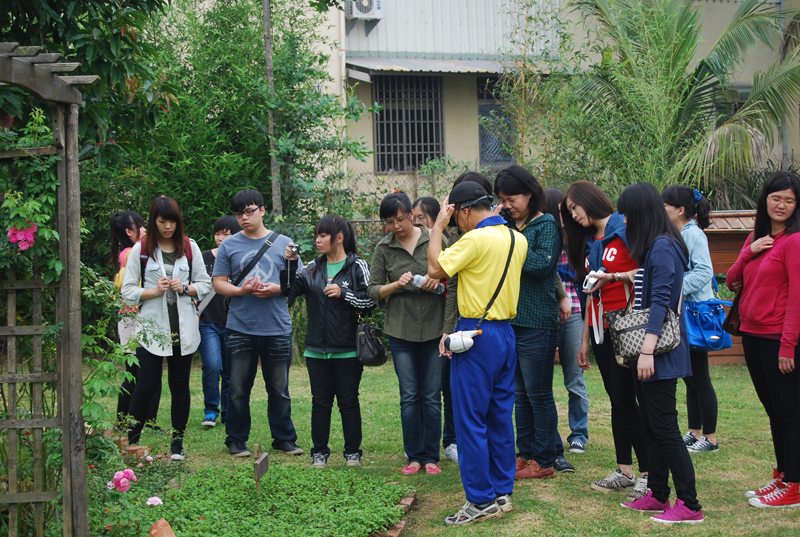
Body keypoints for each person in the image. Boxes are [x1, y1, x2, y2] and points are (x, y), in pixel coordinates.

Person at [427, 181, 527, 525]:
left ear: (465, 211)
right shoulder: (518, 238)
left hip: (475, 333)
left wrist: (438, 227)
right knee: (500, 416)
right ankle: (501, 492)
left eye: (457, 219)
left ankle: (480, 500)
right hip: (506, 334)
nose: (457, 225)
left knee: (469, 419)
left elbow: (435, 270)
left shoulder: (474, 239)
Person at [612, 182, 703, 524]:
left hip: (659, 351)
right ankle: (659, 496)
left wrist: (647, 351)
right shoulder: (654, 246)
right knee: (651, 425)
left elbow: (661, 302)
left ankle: (690, 505)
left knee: (665, 428)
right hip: (650, 352)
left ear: (640, 213)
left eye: (627, 215)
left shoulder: (664, 247)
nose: (624, 222)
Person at [561, 181, 649, 500]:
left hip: (629, 329)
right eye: (569, 211)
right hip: (601, 332)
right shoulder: (592, 242)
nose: (574, 214)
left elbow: (648, 270)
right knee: (618, 401)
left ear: (590, 201)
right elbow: (589, 293)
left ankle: (648, 472)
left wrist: (614, 278)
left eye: (575, 207)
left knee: (632, 402)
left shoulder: (622, 228)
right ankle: (624, 470)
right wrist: (584, 340)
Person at [212, 189, 304, 458]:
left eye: (249, 211)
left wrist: (277, 287)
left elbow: (295, 282)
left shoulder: (284, 243)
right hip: (240, 326)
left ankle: (284, 439)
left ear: (263, 210)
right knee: (239, 389)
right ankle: (236, 439)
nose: (244, 217)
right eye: (239, 213)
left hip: (276, 326)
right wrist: (241, 291)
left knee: (279, 388)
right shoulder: (229, 245)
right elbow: (218, 283)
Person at [727, 171, 800, 509]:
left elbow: (797, 297)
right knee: (774, 411)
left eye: (789, 199)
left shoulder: (795, 240)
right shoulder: (757, 238)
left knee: (789, 413)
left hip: (778, 340)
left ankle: (795, 484)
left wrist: (788, 345)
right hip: (753, 336)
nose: (781, 205)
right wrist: (749, 250)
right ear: (765, 200)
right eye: (775, 198)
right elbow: (731, 280)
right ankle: (783, 475)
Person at [121, 196, 212, 461]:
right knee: (146, 385)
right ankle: (132, 442)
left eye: (172, 221)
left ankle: (177, 444)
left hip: (183, 329)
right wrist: (153, 291)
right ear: (154, 222)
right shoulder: (141, 249)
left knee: (179, 386)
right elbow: (127, 292)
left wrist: (185, 288)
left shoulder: (189, 247)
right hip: (152, 330)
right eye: (162, 222)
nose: (168, 227)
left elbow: (205, 284)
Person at [281, 216, 375, 469]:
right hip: (315, 351)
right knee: (320, 402)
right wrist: (290, 264)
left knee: (348, 401)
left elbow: (371, 301)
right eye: (316, 236)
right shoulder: (312, 267)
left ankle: (353, 453)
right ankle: (319, 453)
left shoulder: (358, 266)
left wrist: (344, 294)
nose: (318, 240)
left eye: (323, 235)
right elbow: (288, 292)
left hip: (347, 350)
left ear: (339, 238)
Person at [368, 192, 447, 475]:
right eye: (389, 222)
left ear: (411, 215)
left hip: (435, 327)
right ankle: (414, 455)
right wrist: (396, 285)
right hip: (401, 331)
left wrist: (435, 280)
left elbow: (454, 274)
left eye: (400, 219)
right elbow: (373, 290)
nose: (396, 226)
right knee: (410, 395)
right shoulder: (384, 248)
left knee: (431, 395)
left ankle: (432, 457)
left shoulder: (433, 238)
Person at [494, 166, 565, 479]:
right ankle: (525, 454)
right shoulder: (509, 227)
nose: (508, 205)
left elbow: (542, 265)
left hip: (539, 321)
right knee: (519, 394)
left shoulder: (545, 224)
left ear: (530, 194)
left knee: (538, 394)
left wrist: (509, 239)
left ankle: (546, 459)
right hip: (512, 320)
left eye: (512, 198)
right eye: (502, 200)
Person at [662, 185, 719, 453]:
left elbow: (704, 272)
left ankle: (710, 437)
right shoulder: (676, 233)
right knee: (690, 377)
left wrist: (676, 287)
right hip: (682, 314)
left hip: (694, 314)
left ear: (681, 210)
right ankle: (694, 432)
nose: (662, 210)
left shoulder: (693, 234)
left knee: (701, 378)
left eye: (666, 206)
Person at [544, 187, 590, 457]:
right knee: (543, 381)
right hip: (545, 314)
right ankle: (549, 433)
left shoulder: (577, 236)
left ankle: (579, 433)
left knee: (574, 376)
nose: (568, 215)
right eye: (562, 210)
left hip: (573, 312)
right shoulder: (542, 236)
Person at [412, 196, 457, 463]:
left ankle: (451, 440)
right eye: (414, 217)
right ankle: (424, 445)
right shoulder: (417, 243)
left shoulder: (447, 242)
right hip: (428, 326)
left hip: (449, 323)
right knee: (428, 389)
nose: (416, 222)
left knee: (449, 387)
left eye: (420, 217)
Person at [111, 210, 161, 426]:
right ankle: (131, 420)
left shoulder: (126, 252)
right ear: (129, 231)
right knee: (137, 373)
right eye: (141, 226)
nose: (145, 230)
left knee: (140, 372)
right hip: (134, 318)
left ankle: (139, 419)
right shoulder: (131, 253)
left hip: (134, 317)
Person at [197, 215, 242, 428]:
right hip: (207, 322)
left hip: (233, 322)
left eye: (226, 234)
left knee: (230, 372)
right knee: (212, 366)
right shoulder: (203, 257)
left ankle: (227, 412)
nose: (221, 238)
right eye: (218, 233)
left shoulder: (240, 258)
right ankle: (210, 411)